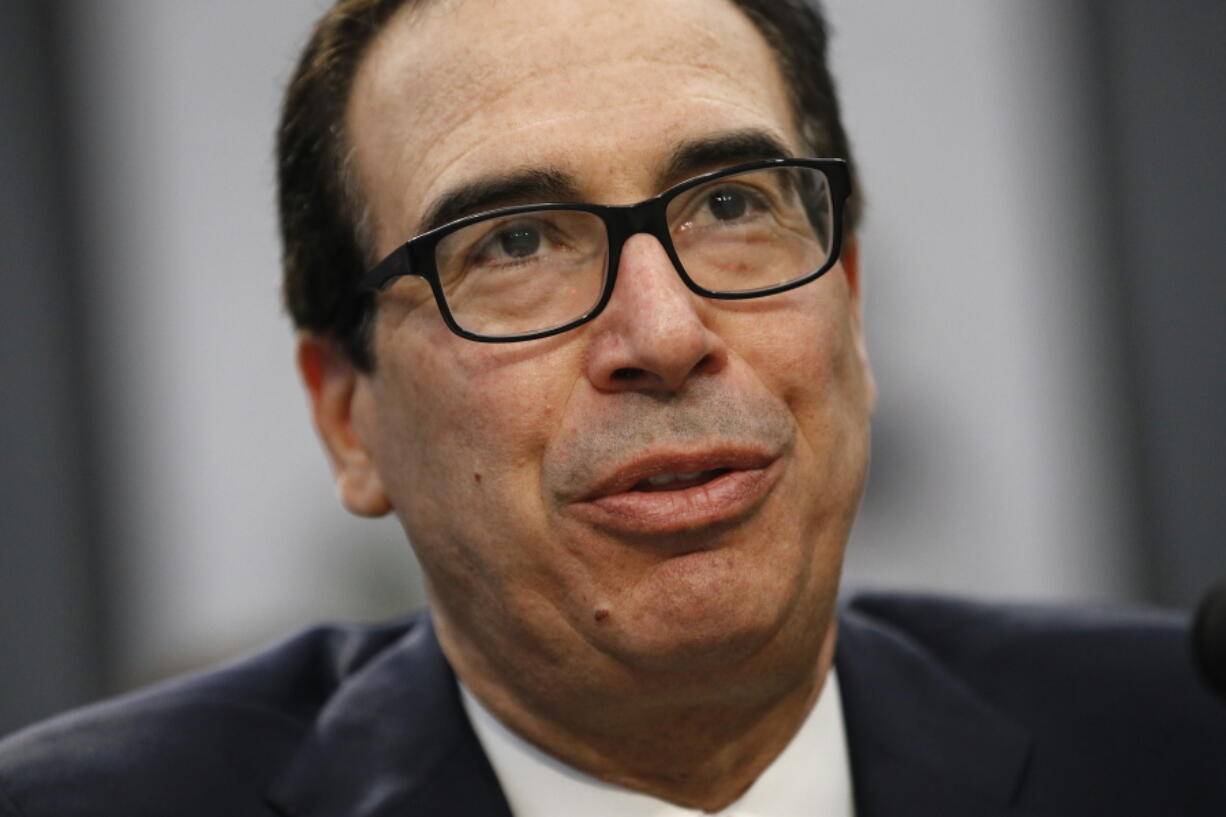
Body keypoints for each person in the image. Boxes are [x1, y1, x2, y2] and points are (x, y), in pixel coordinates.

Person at [1, 0, 1223, 815]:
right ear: (347, 416)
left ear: (846, 305)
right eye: (515, 240)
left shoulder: (1182, 739)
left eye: (735, 207)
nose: (666, 334)